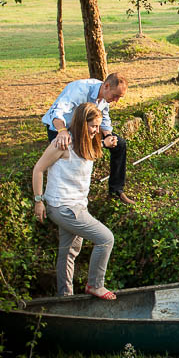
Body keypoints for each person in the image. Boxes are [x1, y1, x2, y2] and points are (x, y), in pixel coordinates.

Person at [33, 102, 116, 299]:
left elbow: (87, 155)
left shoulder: (87, 142)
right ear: (80, 123)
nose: (97, 131)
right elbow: (38, 169)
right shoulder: (62, 144)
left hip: (77, 206)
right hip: (62, 207)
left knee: (69, 252)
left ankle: (65, 297)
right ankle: (95, 285)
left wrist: (105, 142)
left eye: (98, 126)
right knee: (105, 239)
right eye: (93, 126)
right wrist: (38, 201)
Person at [41, 72, 132, 204]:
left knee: (120, 144)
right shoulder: (79, 89)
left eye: (120, 97)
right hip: (62, 128)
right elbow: (57, 111)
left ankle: (116, 191)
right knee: (76, 154)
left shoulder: (105, 97)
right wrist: (62, 131)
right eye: (116, 96)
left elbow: (104, 116)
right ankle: (68, 195)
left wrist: (108, 136)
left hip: (86, 129)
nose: (116, 100)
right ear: (106, 86)